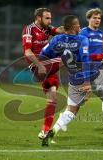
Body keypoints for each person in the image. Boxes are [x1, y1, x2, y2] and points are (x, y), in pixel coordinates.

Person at [39, 15, 103, 146]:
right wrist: (87, 82)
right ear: (72, 27)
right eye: (77, 24)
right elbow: (86, 60)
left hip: (73, 80)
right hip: (92, 75)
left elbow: (43, 55)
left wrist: (59, 63)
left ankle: (53, 130)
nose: (79, 26)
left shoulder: (56, 40)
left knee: (71, 110)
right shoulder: (82, 39)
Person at [21, 8, 64, 139]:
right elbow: (27, 52)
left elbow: (59, 31)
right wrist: (39, 65)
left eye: (50, 18)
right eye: (47, 18)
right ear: (39, 18)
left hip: (48, 64)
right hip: (37, 65)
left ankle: (44, 131)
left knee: (52, 97)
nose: (50, 21)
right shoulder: (29, 30)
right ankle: (97, 60)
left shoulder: (47, 28)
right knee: (69, 56)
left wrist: (71, 27)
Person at [79, 8, 103, 132]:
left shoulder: (100, 33)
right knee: (79, 102)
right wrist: (102, 56)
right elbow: (85, 55)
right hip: (85, 70)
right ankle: (63, 119)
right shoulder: (83, 33)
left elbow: (98, 53)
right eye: (94, 17)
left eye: (99, 18)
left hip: (98, 70)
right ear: (88, 19)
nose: (97, 20)